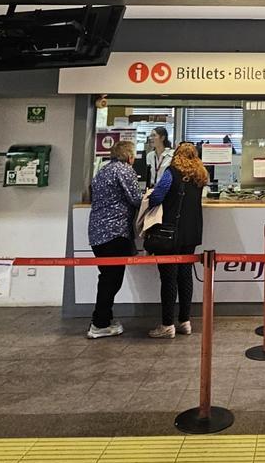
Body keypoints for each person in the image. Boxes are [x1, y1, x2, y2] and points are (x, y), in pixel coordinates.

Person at [146, 142, 208, 338]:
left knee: (168, 278)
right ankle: (185, 321)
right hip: (191, 234)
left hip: (170, 234)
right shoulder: (201, 175)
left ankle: (167, 324)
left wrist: (148, 197)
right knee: (185, 276)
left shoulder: (171, 173)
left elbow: (157, 197)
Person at [86, 140, 143, 339]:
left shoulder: (103, 171)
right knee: (111, 280)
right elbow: (136, 199)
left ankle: (105, 318)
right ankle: (99, 323)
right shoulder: (124, 170)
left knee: (107, 277)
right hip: (114, 232)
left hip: (97, 232)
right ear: (129, 156)